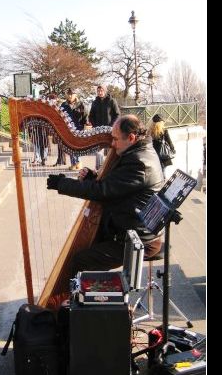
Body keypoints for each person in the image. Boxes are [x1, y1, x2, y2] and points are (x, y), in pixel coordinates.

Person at [46, 114, 164, 282]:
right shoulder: (138, 151)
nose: (112, 143)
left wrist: (62, 184)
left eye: (115, 139)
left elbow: (103, 191)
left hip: (136, 238)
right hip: (126, 227)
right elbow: (116, 186)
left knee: (80, 260)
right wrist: (92, 177)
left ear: (131, 137)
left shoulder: (139, 163)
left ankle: (72, 304)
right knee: (87, 246)